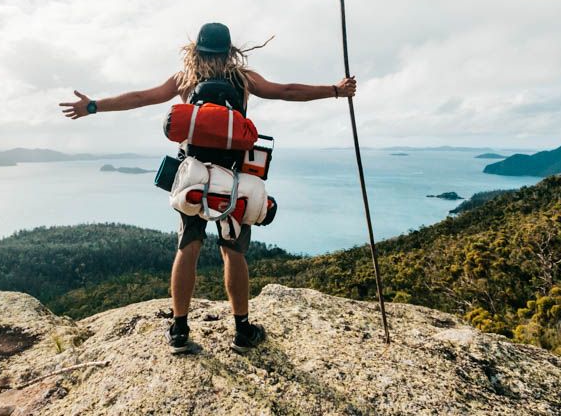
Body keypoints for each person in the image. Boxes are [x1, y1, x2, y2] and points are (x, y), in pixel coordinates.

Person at [60, 22, 356, 354]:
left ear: (196, 50)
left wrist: (94, 106)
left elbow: (141, 98)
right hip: (233, 179)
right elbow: (287, 91)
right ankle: (242, 330)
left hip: (193, 175)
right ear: (230, 51)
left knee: (188, 246)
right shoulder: (243, 79)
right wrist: (334, 90)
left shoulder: (184, 80)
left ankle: (179, 330)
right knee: (233, 250)